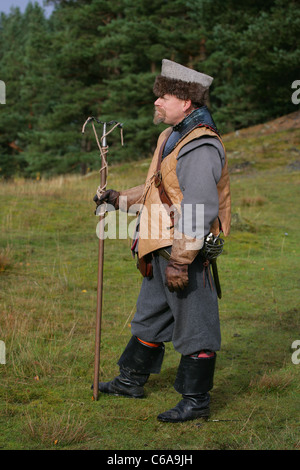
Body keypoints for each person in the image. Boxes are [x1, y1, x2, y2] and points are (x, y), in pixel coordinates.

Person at [94, 59, 231, 423]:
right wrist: (118, 198)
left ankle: (196, 402)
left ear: (186, 102)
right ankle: (130, 380)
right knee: (151, 316)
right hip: (157, 244)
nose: (156, 102)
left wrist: (182, 260)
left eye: (164, 96)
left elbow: (200, 207)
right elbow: (157, 189)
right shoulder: (171, 137)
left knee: (196, 324)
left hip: (183, 251)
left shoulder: (199, 145)